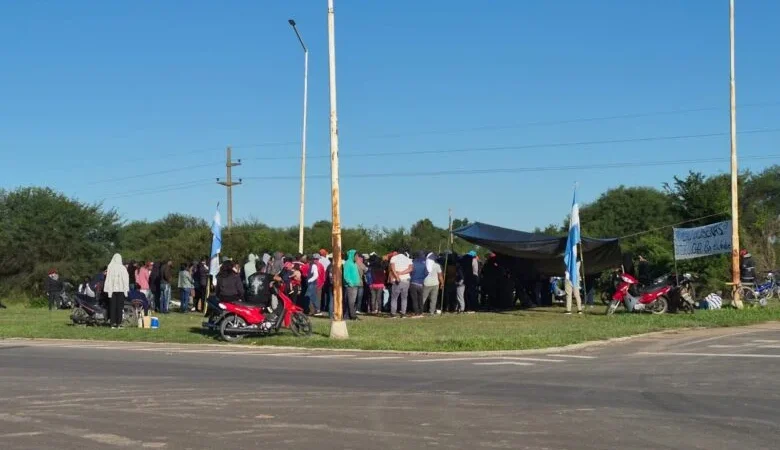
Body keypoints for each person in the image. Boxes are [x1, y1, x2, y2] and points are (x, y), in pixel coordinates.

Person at [104, 254, 130, 329]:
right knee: (120, 307)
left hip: (112, 290)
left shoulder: (110, 267)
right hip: (121, 290)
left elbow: (108, 279)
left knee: (112, 306)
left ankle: (112, 323)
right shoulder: (123, 268)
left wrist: (108, 289)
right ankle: (119, 323)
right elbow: (126, 279)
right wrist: (126, 290)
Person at [389, 249, 413, 317]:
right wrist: (402, 273)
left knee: (394, 298)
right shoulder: (408, 259)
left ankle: (393, 313)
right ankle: (403, 313)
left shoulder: (394, 258)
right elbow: (410, 269)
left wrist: (397, 276)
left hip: (397, 280)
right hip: (406, 279)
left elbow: (392, 268)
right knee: (404, 297)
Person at [343, 249, 362, 320]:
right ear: (352, 255)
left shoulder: (353, 263)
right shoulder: (348, 263)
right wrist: (350, 283)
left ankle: (348, 315)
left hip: (355, 285)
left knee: (351, 301)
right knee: (351, 302)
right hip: (351, 286)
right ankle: (353, 316)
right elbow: (346, 275)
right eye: (356, 255)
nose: (357, 257)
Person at [409, 251, 428, 315]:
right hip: (421, 283)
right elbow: (427, 273)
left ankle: (416, 312)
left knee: (414, 299)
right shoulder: (424, 264)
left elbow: (410, 272)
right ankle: (421, 311)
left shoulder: (413, 263)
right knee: (420, 299)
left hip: (413, 282)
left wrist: (412, 276)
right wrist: (422, 277)